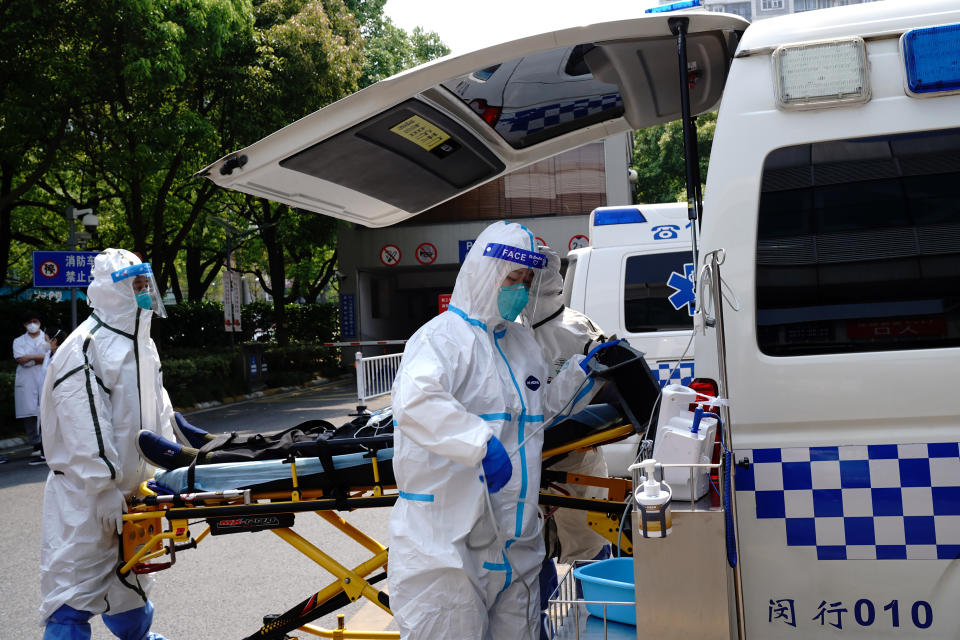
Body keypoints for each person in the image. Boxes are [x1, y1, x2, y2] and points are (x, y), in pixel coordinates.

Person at [387, 221, 602, 640]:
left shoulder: (521, 344)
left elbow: (539, 413)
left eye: (525, 281)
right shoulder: (440, 340)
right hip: (449, 544)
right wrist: (478, 442)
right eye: (511, 279)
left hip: (516, 541)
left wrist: (585, 373)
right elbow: (415, 402)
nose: (519, 290)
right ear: (484, 275)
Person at [39, 249, 174, 640]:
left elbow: (157, 411)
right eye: (136, 285)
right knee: (75, 587)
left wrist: (171, 466)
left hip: (136, 493)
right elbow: (84, 424)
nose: (144, 293)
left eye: (146, 285)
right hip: (87, 498)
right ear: (111, 291)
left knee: (131, 585)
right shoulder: (85, 347)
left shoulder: (142, 345)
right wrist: (102, 487)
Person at [519, 247, 613, 636]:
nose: (518, 287)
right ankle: (535, 628)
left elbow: (611, 386)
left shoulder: (578, 329)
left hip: (576, 463)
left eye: (523, 280)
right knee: (527, 553)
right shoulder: (510, 333)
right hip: (527, 461)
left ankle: (604, 623)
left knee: (590, 547)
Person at [14, 311, 51, 465]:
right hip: (27, 379)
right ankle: (36, 444)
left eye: (35, 321)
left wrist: (31, 357)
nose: (32, 324)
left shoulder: (47, 338)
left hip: (43, 377)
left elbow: (52, 354)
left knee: (45, 411)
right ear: (24, 324)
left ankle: (46, 446)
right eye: (29, 322)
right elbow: (21, 359)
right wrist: (40, 358)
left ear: (40, 322)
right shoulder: (18, 341)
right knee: (29, 413)